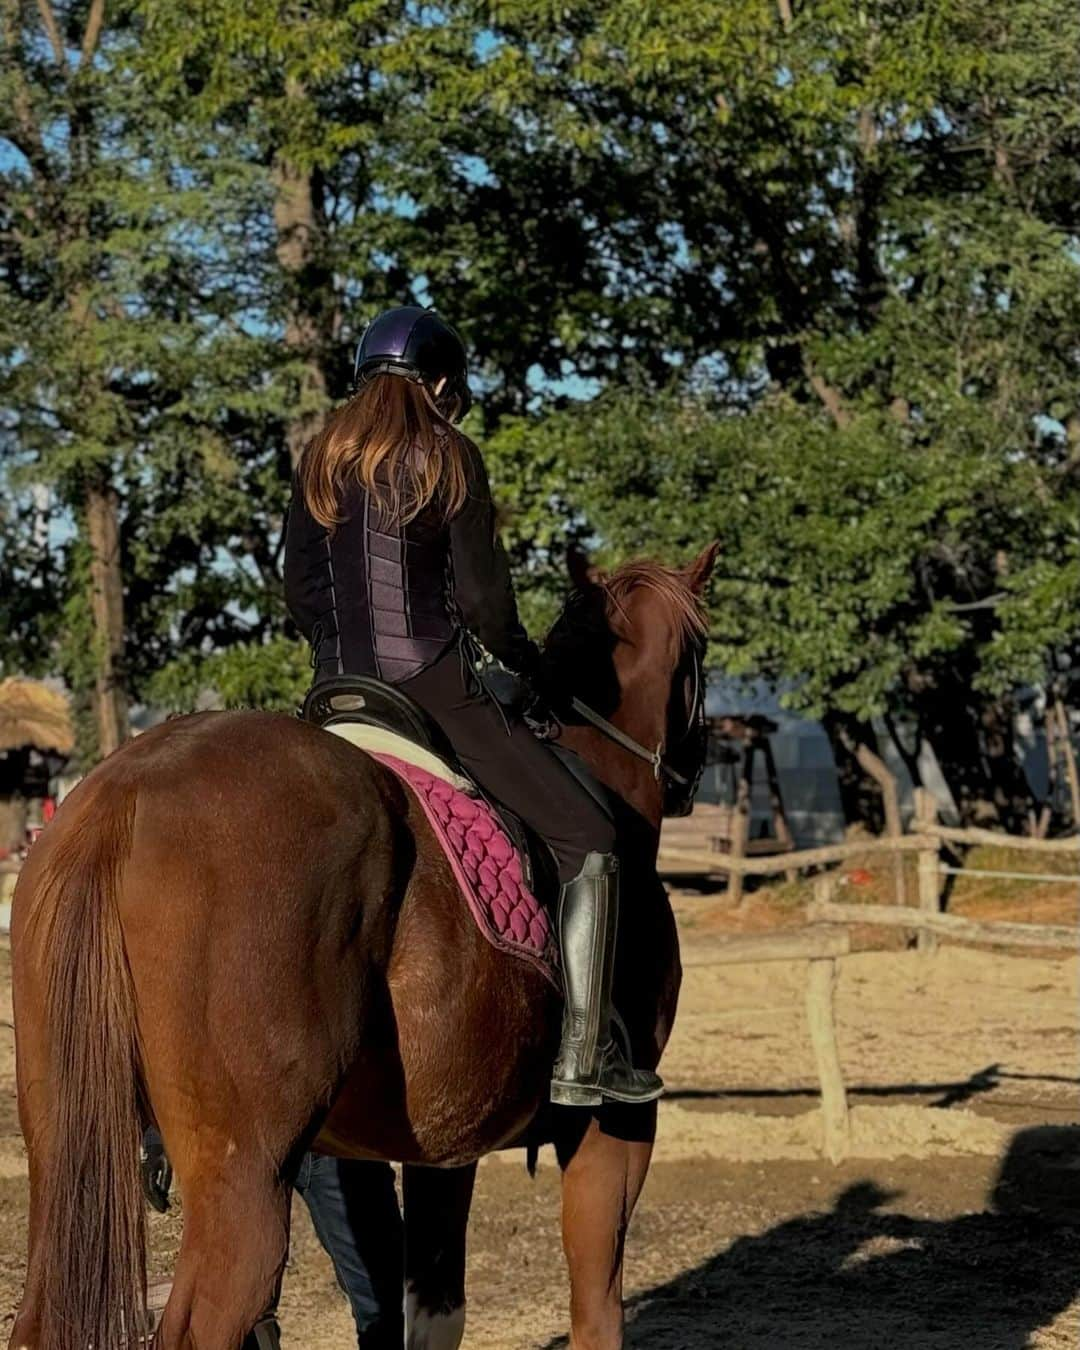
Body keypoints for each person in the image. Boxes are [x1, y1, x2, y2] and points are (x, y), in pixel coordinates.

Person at [284, 304, 661, 1107]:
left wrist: (339, 648)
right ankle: (586, 1055)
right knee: (590, 835)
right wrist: (519, 664)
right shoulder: (448, 453)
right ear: (444, 384)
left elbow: (302, 591)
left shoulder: (320, 458)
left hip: (335, 687)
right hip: (431, 682)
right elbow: (485, 598)